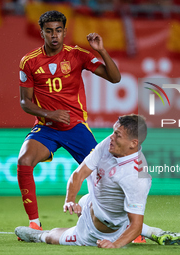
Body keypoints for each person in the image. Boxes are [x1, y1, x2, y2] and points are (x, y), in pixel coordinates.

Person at [15, 114, 180, 248]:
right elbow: (79, 174)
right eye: (114, 131)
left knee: (54, 237)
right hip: (93, 201)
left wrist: (114, 244)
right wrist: (69, 200)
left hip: (96, 231)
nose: (111, 137)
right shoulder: (109, 143)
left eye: (117, 135)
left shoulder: (136, 177)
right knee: (82, 205)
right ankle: (153, 232)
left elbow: (136, 223)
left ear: (133, 143)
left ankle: (37, 235)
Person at [17, 10, 121, 231]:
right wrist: (50, 114)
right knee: (24, 162)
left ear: (64, 32)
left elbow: (115, 78)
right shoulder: (29, 62)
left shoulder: (77, 55)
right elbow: (25, 103)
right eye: (49, 31)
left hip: (75, 127)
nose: (54, 35)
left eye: (58, 30)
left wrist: (101, 50)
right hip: (46, 128)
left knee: (105, 174)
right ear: (42, 33)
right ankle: (34, 224)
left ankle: (124, 225)